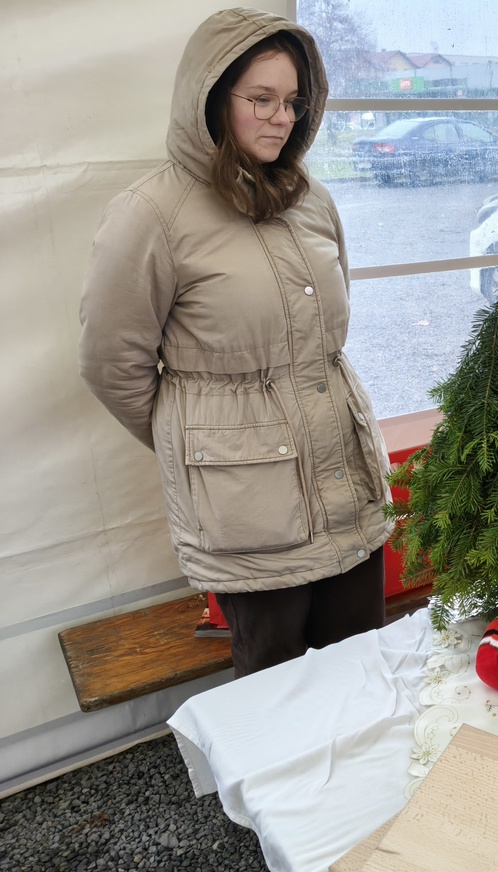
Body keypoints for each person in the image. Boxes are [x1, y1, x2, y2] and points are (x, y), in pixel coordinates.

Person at [78, 8, 392, 677]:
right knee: (274, 695)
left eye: (293, 101)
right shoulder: (151, 214)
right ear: (213, 98)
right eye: (261, 99)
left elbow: (322, 336)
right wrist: (209, 446)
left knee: (363, 674)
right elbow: (111, 365)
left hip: (346, 493)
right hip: (251, 520)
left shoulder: (311, 199)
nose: (282, 118)